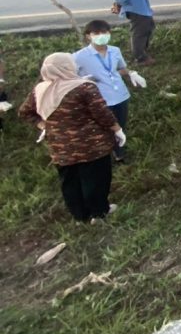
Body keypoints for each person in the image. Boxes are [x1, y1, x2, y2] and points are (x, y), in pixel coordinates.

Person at [18, 53, 124, 223]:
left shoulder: (40, 90)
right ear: (66, 67)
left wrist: (43, 125)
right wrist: (117, 129)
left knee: (70, 181)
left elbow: (25, 112)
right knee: (95, 179)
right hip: (91, 145)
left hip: (60, 148)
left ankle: (80, 216)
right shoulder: (84, 88)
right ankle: (99, 212)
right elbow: (102, 113)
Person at [73, 20, 146, 164]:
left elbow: (120, 68)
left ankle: (120, 155)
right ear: (88, 36)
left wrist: (131, 73)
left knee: (120, 126)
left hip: (120, 96)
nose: (101, 35)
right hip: (99, 99)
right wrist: (82, 80)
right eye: (96, 33)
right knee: (103, 128)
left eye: (104, 32)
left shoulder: (115, 50)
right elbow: (69, 76)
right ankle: (104, 156)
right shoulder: (79, 56)